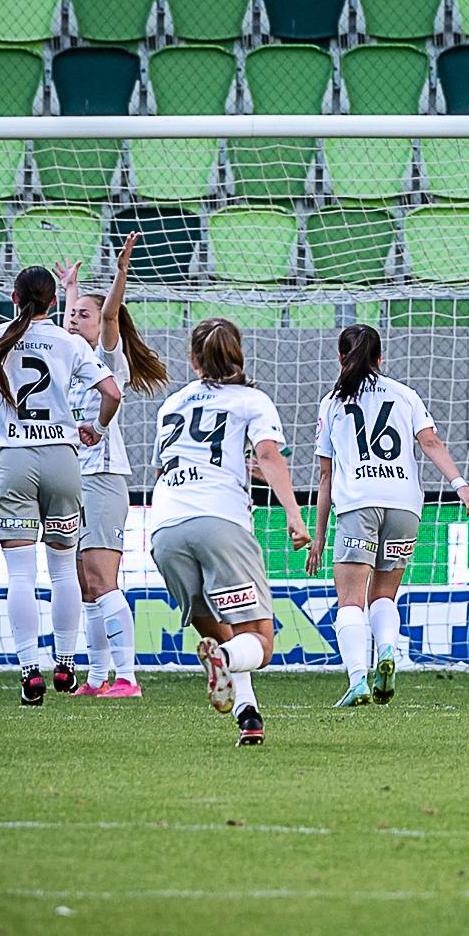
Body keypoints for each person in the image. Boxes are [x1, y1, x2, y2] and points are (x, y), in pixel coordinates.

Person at [0, 266, 122, 706]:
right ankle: (66, 662)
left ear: (14, 297)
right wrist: (98, 429)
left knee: (21, 574)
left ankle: (29, 672)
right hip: (62, 459)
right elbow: (113, 393)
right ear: (53, 303)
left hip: (13, 459)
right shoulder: (69, 342)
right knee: (63, 570)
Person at [305, 325, 469, 708]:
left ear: (340, 358)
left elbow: (325, 475)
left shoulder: (332, 403)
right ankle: (386, 650)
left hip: (358, 504)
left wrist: (318, 535)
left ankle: (358, 679)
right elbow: (431, 442)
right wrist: (461, 486)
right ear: (380, 358)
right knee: (384, 595)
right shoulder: (405, 395)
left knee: (350, 600)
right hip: (405, 505)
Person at [149, 318, 310, 745]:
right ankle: (222, 658)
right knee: (259, 642)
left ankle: (247, 714)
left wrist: (238, 466)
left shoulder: (172, 404)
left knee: (221, 630)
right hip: (219, 522)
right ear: (239, 355)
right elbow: (269, 455)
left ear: (193, 359)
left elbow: (173, 466)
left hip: (164, 528)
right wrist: (294, 515)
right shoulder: (251, 400)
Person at [57, 233, 170, 699]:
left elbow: (107, 316)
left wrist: (120, 274)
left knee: (103, 579)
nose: (73, 319)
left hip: (101, 477)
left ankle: (128, 677)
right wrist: (69, 289)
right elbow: (74, 318)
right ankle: (96, 677)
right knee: (85, 584)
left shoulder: (106, 355)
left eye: (82, 314)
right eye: (71, 314)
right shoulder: (66, 359)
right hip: (70, 477)